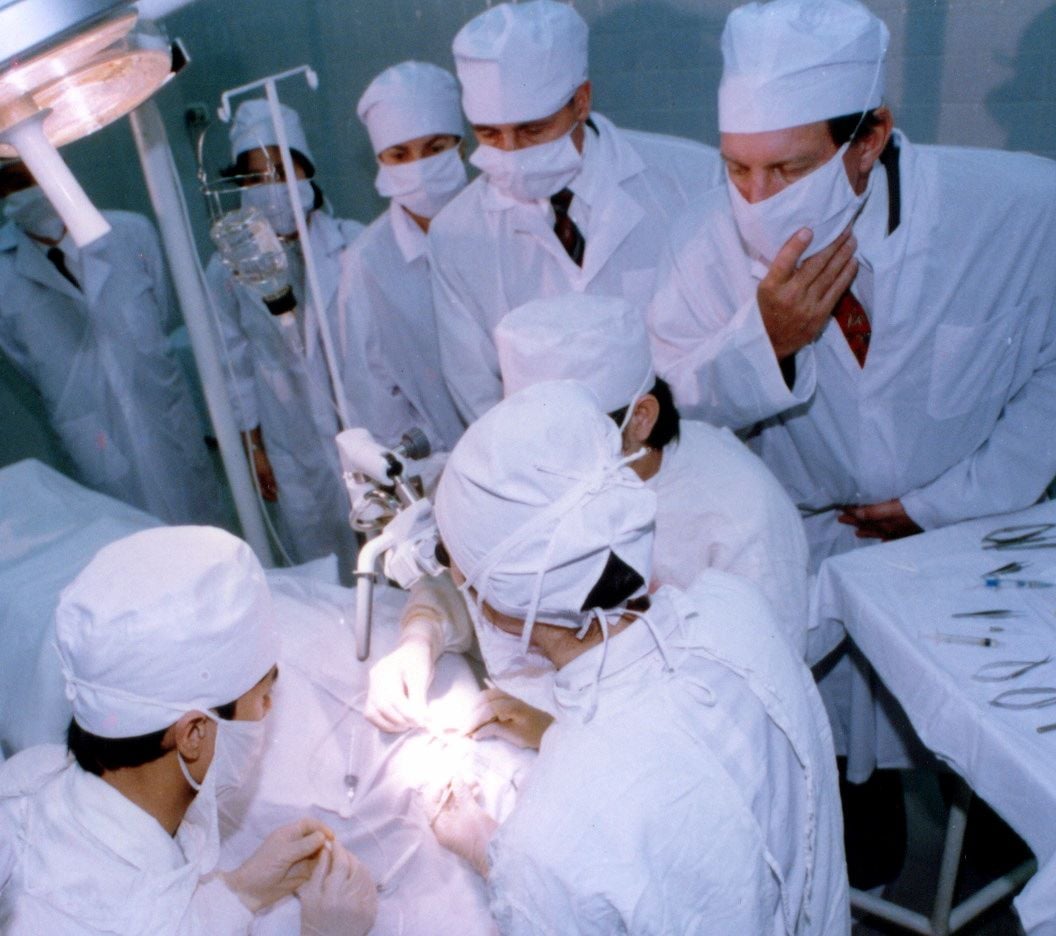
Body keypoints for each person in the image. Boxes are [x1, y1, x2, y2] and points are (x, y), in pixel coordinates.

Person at [647, 0, 1056, 886]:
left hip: (963, 541)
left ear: (868, 139)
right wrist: (766, 344)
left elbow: (1053, 372)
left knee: (985, 786)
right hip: (810, 539)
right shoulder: (702, 242)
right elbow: (662, 410)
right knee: (837, 782)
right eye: (737, 169)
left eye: (787, 169)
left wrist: (944, 503)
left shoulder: (1017, 209)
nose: (754, 200)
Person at [423, 380, 849, 934]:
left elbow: (587, 859)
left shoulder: (546, 842)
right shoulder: (736, 609)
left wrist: (492, 853)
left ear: (496, 602)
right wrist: (560, 727)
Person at [365, 292, 811, 734]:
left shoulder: (742, 513)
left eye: (574, 434)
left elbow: (751, 709)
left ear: (641, 418)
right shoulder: (543, 477)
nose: (547, 458)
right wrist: (421, 636)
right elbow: (491, 574)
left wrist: (563, 731)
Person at [0, 525, 376, 935]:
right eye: (263, 696)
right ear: (194, 733)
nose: (269, 709)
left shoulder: (32, 772)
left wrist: (239, 893)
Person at [429, 0, 725, 422]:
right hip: (550, 473)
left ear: (581, 101)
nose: (512, 154)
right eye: (490, 135)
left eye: (533, 130)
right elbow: (479, 396)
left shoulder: (690, 181)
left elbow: (718, 353)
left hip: (686, 450)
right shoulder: (456, 234)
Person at [0, 161, 220, 525]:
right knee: (127, 535)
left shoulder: (129, 231)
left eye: (29, 177)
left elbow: (161, 313)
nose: (23, 192)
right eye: (9, 184)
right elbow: (22, 360)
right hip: (91, 428)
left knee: (204, 526)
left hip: (161, 409)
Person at [206, 100, 363, 567]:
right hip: (286, 430)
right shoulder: (227, 267)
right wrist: (254, 448)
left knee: (383, 541)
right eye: (254, 177)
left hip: (357, 413)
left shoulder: (353, 241)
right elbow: (232, 360)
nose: (270, 187)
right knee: (314, 546)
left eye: (281, 169)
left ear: (306, 170)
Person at [340, 61, 467, 454]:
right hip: (445, 460)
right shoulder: (368, 261)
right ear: (381, 161)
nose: (420, 167)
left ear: (460, 144)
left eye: (434, 148)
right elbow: (372, 390)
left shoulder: (504, 221)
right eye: (400, 154)